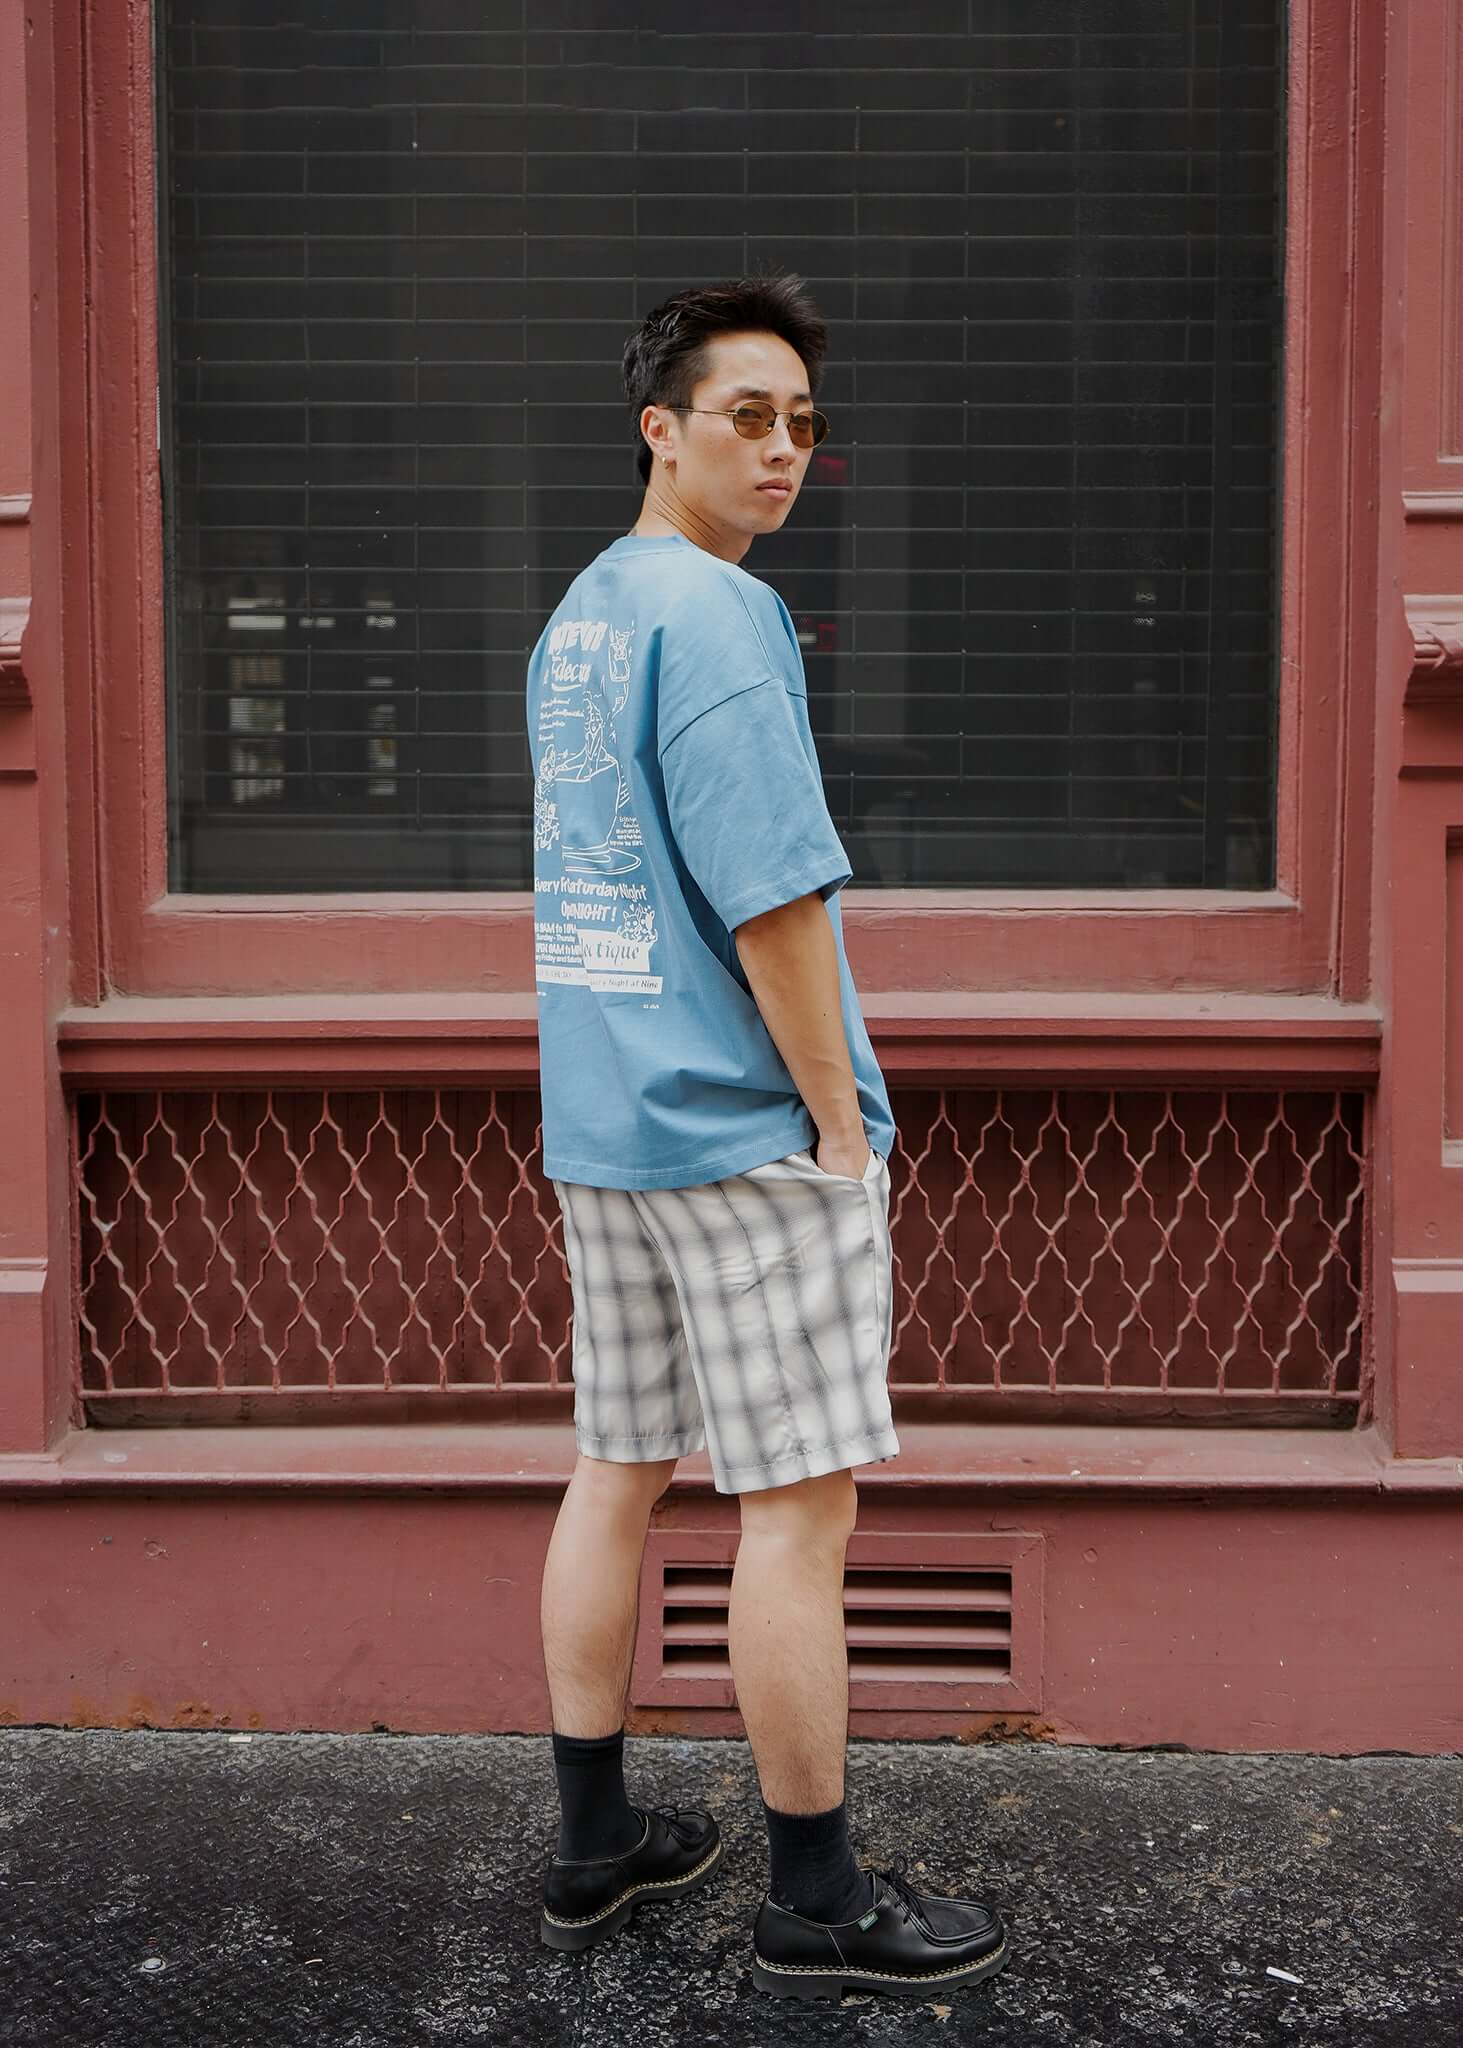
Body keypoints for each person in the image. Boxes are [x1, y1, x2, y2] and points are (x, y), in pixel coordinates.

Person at [525, 272, 1008, 2003]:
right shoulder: (723, 618)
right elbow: (778, 904)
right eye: (749, 416)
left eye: (804, 422)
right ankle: (816, 1896)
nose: (785, 449)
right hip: (741, 1131)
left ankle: (596, 1844)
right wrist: (838, 1128)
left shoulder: (583, 615)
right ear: (660, 429)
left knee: (618, 1470)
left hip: (605, 1120)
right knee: (798, 1514)